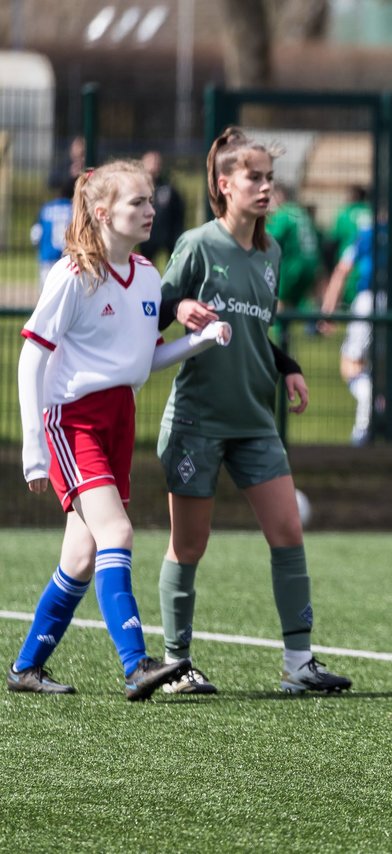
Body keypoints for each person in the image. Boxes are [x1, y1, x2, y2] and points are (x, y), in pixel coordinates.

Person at [9, 160, 231, 699]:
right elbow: (30, 359)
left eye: (151, 200)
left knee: (81, 559)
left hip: (117, 422)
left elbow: (143, 361)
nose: (151, 209)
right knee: (119, 534)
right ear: (104, 212)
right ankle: (136, 665)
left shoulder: (148, 276)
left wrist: (199, 341)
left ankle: (25, 669)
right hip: (73, 422)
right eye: (138, 202)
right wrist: (33, 450)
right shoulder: (73, 274)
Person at [153, 127, 353, 696]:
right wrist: (180, 305)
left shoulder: (271, 253)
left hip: (253, 418)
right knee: (189, 545)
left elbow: (252, 328)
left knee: (288, 531)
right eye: (255, 178)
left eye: (270, 178)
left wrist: (286, 363)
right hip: (197, 419)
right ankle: (175, 664)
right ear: (224, 185)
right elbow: (158, 306)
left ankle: (298, 663)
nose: (267, 187)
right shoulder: (198, 244)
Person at [319, 215, 392, 446]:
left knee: (351, 364)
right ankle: (379, 416)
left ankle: (365, 416)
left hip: (367, 299)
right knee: (383, 367)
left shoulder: (367, 233)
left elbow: (342, 270)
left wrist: (327, 310)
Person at [266, 182, 324, 320]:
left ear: (279, 196)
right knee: (300, 300)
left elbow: (270, 239)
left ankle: (281, 333)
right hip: (311, 261)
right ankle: (312, 325)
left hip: (293, 264)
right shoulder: (300, 211)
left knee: (279, 297)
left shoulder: (282, 214)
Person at [327, 184, 373, 308]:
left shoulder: (345, 213)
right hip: (368, 264)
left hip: (349, 261)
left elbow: (333, 237)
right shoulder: (372, 211)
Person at [137, 150, 186, 265]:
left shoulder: (168, 188)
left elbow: (178, 212)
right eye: (150, 162)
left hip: (166, 235)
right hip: (146, 237)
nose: (154, 166)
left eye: (156, 163)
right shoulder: (137, 189)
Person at [30, 177, 76, 287]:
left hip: (47, 258)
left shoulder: (46, 208)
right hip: (69, 260)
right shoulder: (74, 209)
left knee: (46, 296)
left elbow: (35, 235)